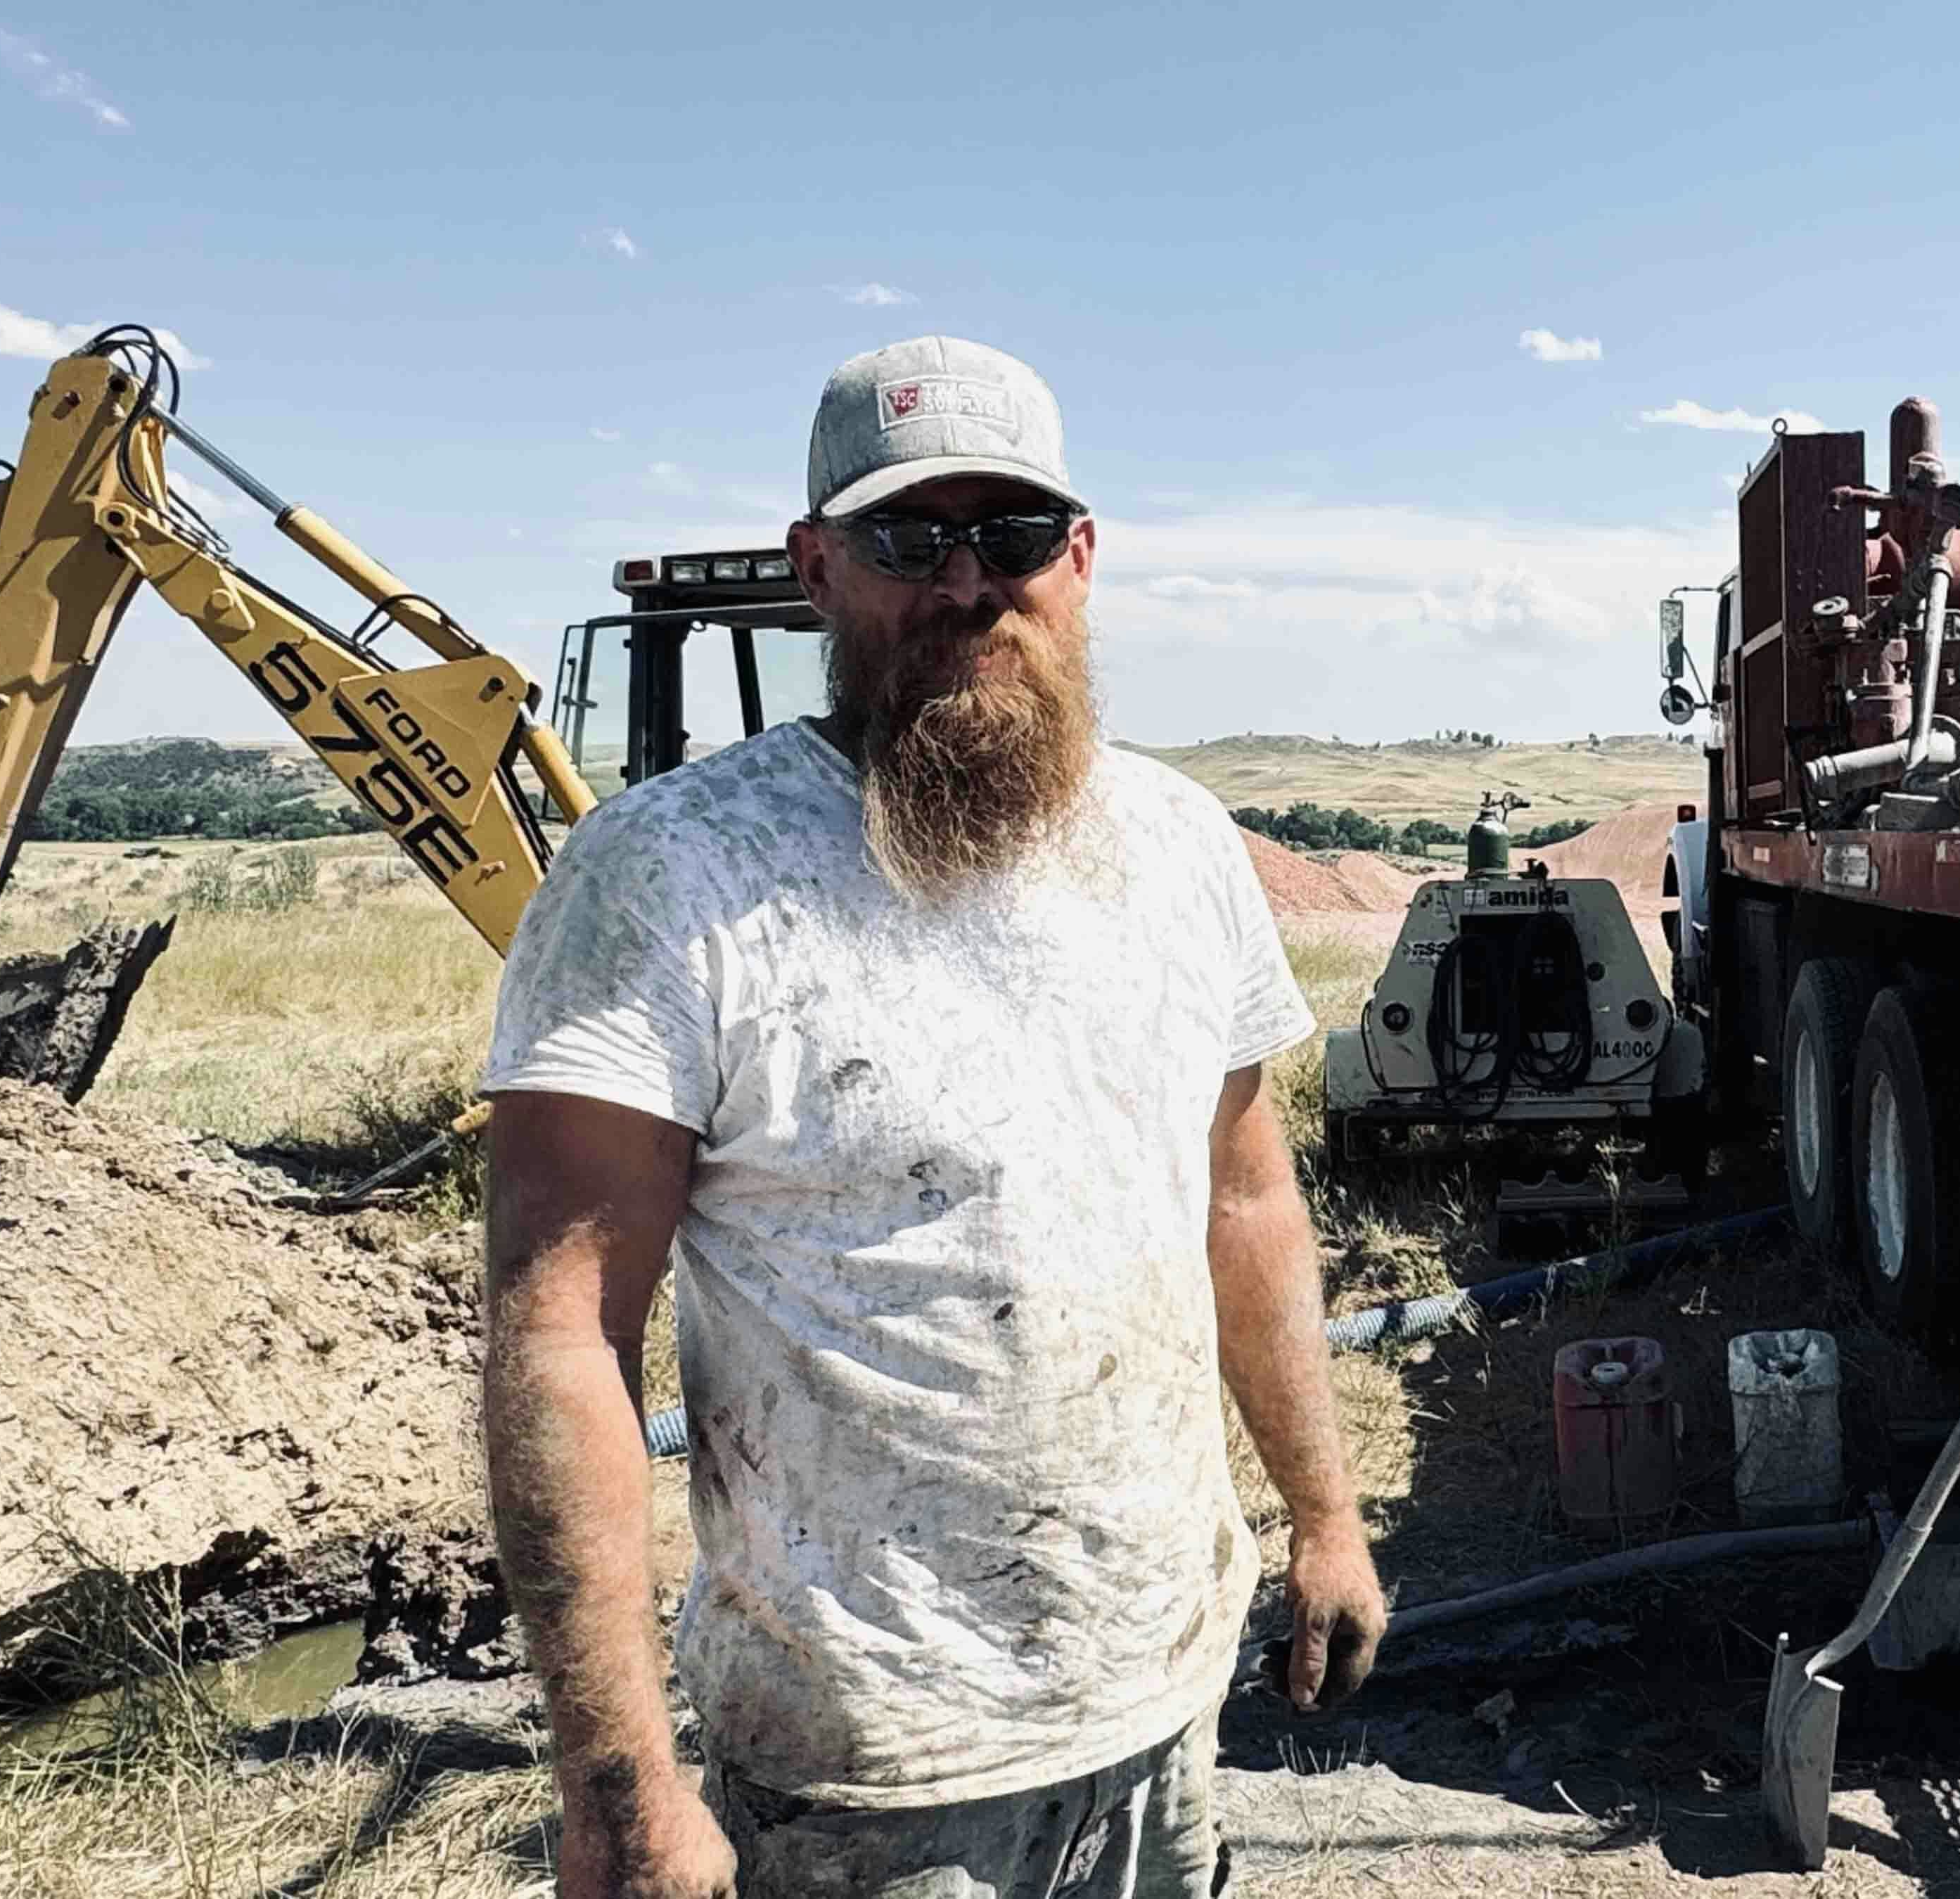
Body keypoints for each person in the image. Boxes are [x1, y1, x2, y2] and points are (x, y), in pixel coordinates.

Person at [480, 335, 1387, 1898]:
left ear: (1082, 561)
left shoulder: (1177, 847)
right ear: (818, 568)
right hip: (870, 1766)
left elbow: (1247, 1202)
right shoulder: (670, 876)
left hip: (1163, 1698)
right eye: (913, 538)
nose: (973, 581)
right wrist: (617, 1784)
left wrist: (1323, 1512)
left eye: (1016, 536)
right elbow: (560, 1337)